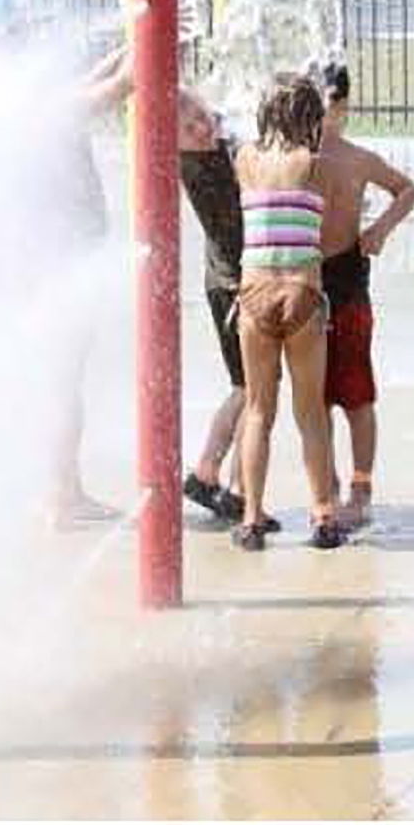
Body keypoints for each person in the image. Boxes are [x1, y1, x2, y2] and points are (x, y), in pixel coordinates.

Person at [231, 73, 342, 552]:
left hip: (253, 293)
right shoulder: (317, 165)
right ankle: (322, 517)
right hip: (301, 292)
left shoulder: (245, 160)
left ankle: (252, 519)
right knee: (310, 413)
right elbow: (328, 226)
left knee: (258, 411)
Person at [316, 63, 414, 528]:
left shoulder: (358, 159)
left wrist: (380, 229)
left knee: (356, 394)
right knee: (314, 397)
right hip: (308, 284)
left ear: (342, 108)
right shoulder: (297, 158)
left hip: (349, 281)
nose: (323, 115)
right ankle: (327, 487)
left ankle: (360, 487)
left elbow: (407, 189)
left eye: (331, 106)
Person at [48, 41, 134, 526]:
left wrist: (129, 41)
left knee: (64, 382)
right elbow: (118, 88)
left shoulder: (46, 101)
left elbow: (98, 80)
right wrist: (150, 41)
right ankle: (60, 493)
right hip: (60, 267)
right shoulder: (51, 108)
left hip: (63, 260)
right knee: (62, 384)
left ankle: (63, 488)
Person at [176, 86, 253, 524]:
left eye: (204, 117)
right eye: (190, 126)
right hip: (233, 285)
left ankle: (209, 473)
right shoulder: (201, 165)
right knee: (253, 391)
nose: (203, 127)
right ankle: (236, 489)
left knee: (248, 389)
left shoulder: (214, 151)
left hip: (230, 280)